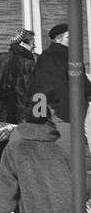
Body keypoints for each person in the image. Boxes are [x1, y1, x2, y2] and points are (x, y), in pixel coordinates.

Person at [0, 102, 79, 213]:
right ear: (49, 121)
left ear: (24, 120)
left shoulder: (15, 149)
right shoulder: (59, 148)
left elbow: (5, 192)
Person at [31, 23, 74, 153]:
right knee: (73, 148)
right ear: (58, 38)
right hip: (62, 108)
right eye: (68, 38)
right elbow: (78, 80)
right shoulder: (69, 56)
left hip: (44, 105)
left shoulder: (43, 56)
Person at [0, 29, 36, 125]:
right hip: (20, 113)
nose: (34, 46)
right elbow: (32, 91)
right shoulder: (28, 63)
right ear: (23, 44)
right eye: (32, 43)